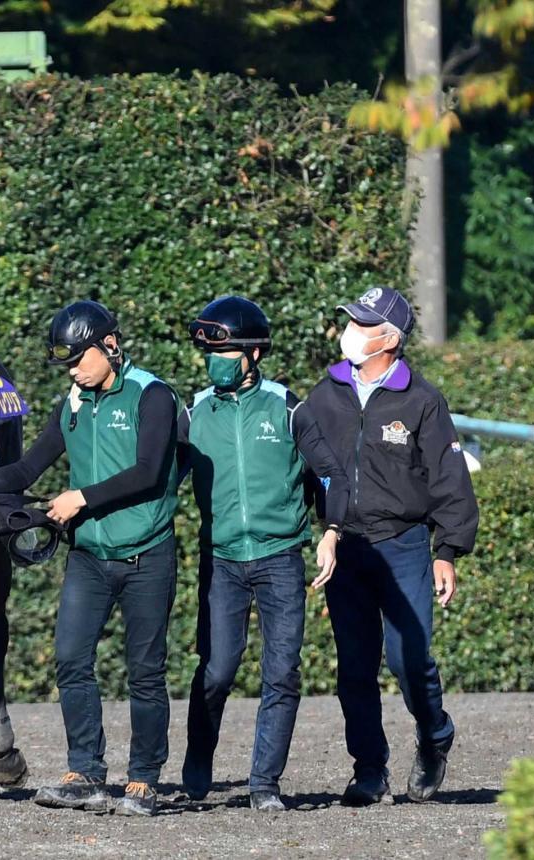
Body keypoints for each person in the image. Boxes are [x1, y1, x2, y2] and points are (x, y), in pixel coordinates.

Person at [0, 300, 179, 817]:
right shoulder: (72, 406)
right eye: (67, 362)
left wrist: (81, 498)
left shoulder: (153, 395)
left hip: (148, 556)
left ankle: (143, 778)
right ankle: (86, 773)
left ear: (110, 346)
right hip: (90, 558)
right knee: (72, 660)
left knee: (145, 672)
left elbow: (148, 472)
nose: (73, 369)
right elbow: (29, 468)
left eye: (79, 358)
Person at [306, 285, 479, 805]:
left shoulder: (422, 400)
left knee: (409, 659)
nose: (350, 332)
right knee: (354, 664)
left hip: (403, 546)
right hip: (349, 549)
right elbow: (305, 470)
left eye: (361, 324)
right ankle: (369, 768)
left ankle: (435, 734)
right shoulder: (325, 394)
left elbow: (449, 479)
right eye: (351, 321)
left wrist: (447, 550)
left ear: (389, 338)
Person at [179, 296, 349, 811]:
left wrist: (331, 529)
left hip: (279, 559)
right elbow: (159, 481)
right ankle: (199, 754)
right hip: (222, 562)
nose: (217, 361)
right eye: (211, 352)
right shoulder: (194, 413)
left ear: (253, 354)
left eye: (227, 351)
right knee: (217, 670)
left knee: (282, 672)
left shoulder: (289, 409)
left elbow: (332, 473)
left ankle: (264, 783)